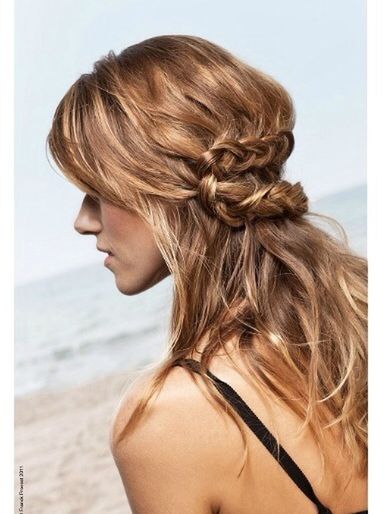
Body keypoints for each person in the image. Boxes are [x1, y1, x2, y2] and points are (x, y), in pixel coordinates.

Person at [46, 35, 367, 514]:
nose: (82, 221)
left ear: (166, 189)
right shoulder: (361, 311)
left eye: (97, 193)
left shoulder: (166, 421)